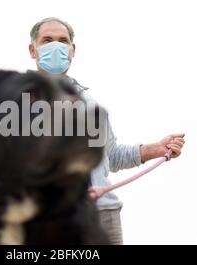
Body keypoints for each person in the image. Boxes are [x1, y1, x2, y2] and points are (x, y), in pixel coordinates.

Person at [28, 17, 185, 244]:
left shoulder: (90, 104)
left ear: (72, 50)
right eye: (47, 40)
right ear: (33, 50)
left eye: (63, 41)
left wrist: (155, 149)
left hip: (103, 216)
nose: (56, 46)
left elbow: (110, 157)